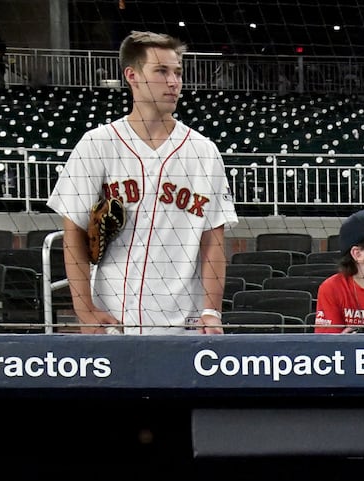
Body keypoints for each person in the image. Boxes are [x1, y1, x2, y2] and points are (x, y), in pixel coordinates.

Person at [47, 31, 236, 335]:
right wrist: (85, 311)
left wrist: (211, 311)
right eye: (161, 71)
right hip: (113, 318)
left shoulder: (203, 151)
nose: (174, 82)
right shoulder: (96, 145)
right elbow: (74, 234)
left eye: (177, 72)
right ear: (132, 76)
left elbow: (213, 240)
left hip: (184, 323)